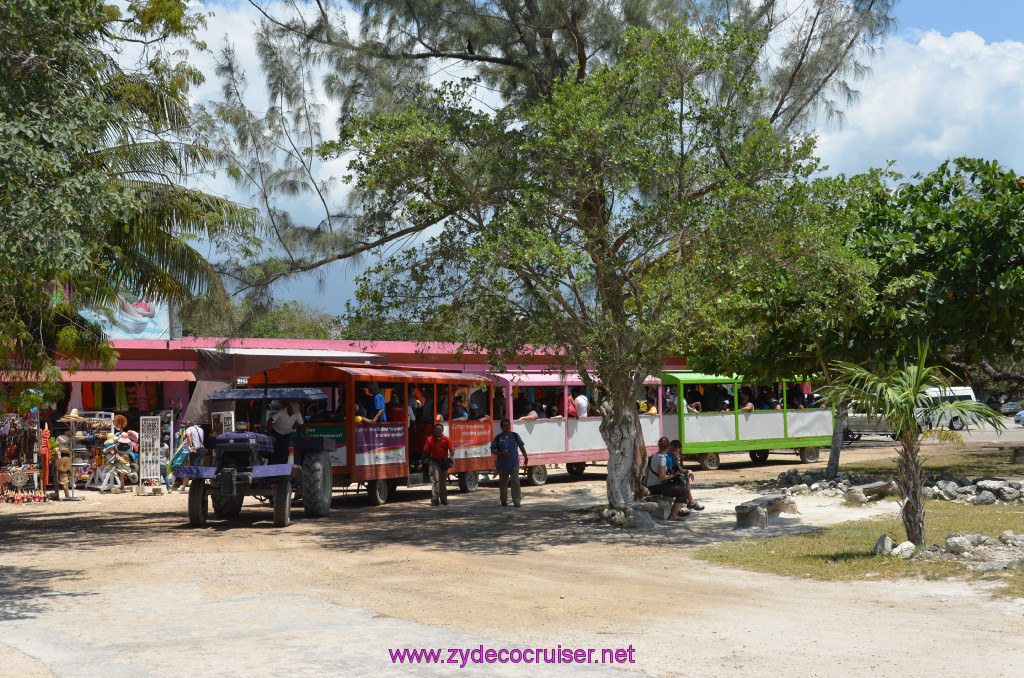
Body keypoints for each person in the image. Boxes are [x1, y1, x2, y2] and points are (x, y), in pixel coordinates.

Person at [646, 439, 690, 520]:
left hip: (651, 485)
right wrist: (673, 475)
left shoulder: (654, 455)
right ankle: (673, 515)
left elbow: (647, 470)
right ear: (668, 446)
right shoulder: (662, 458)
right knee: (684, 492)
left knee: (680, 485)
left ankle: (676, 510)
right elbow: (662, 477)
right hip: (657, 486)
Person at [491, 419, 528, 507]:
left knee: (515, 482)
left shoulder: (515, 436)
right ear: (501, 427)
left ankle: (516, 501)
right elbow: (492, 450)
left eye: (508, 425)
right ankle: (504, 500)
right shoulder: (498, 438)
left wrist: (526, 457)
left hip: (514, 463)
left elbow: (522, 447)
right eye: (505, 425)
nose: (507, 427)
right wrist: (500, 453)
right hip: (502, 465)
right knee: (503, 483)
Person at [421, 423, 453, 505]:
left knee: (443, 481)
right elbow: (425, 451)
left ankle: (444, 499)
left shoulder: (446, 439)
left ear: (442, 430)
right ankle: (435, 499)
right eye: (436, 429)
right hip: (434, 462)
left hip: (444, 462)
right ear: (434, 430)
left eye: (439, 429)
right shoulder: (430, 439)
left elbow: (451, 449)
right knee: (435, 480)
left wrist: (451, 456)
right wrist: (421, 462)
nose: (437, 431)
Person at [668, 440, 704, 511]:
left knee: (685, 477)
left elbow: (679, 469)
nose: (676, 449)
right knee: (684, 479)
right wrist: (676, 459)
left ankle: (690, 502)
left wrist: (688, 472)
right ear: (670, 446)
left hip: (671, 476)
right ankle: (689, 503)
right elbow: (674, 470)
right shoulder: (667, 456)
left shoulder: (673, 457)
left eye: (678, 448)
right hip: (667, 478)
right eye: (674, 447)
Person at [180, 420, 205, 491]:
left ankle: (195, 487)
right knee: (200, 468)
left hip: (194, 450)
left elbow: (187, 435)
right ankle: (200, 486)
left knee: (193, 468)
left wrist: (191, 446)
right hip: (201, 450)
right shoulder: (201, 429)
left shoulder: (189, 429)